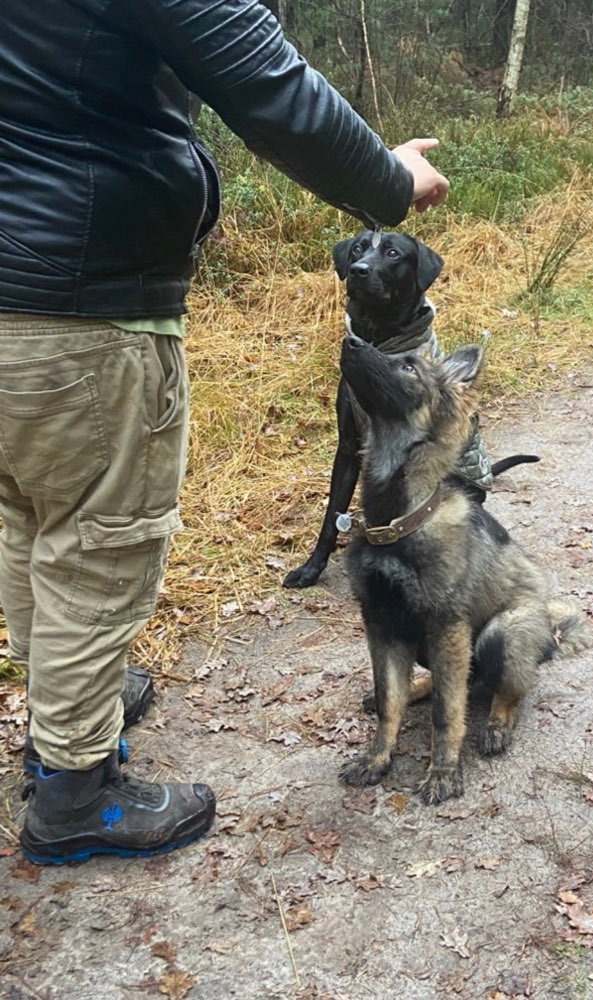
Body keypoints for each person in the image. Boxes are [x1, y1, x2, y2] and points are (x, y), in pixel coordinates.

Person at [0, 0, 449, 865]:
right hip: (76, 308)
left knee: (31, 515)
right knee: (97, 545)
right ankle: (73, 791)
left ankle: (72, 699)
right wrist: (391, 183)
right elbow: (265, 82)